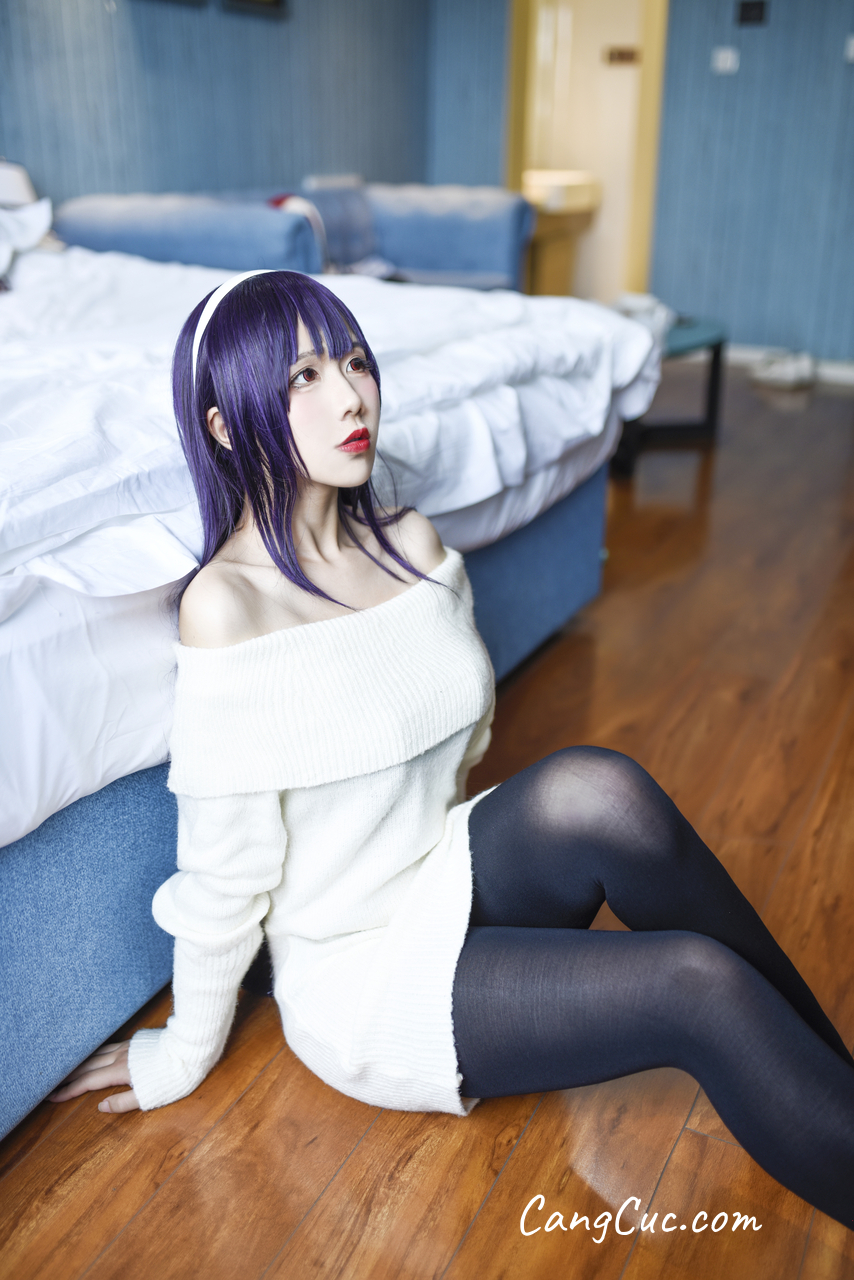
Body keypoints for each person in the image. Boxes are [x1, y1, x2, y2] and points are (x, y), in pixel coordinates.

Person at [50, 271, 854, 1230]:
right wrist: (185, 1046)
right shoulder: (228, 607)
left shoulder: (411, 545)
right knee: (696, 984)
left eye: (353, 362)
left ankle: (834, 1087)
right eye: (303, 377)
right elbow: (225, 875)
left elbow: (462, 746)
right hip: (361, 972)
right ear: (226, 426)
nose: (352, 397)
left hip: (442, 873)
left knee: (602, 789)